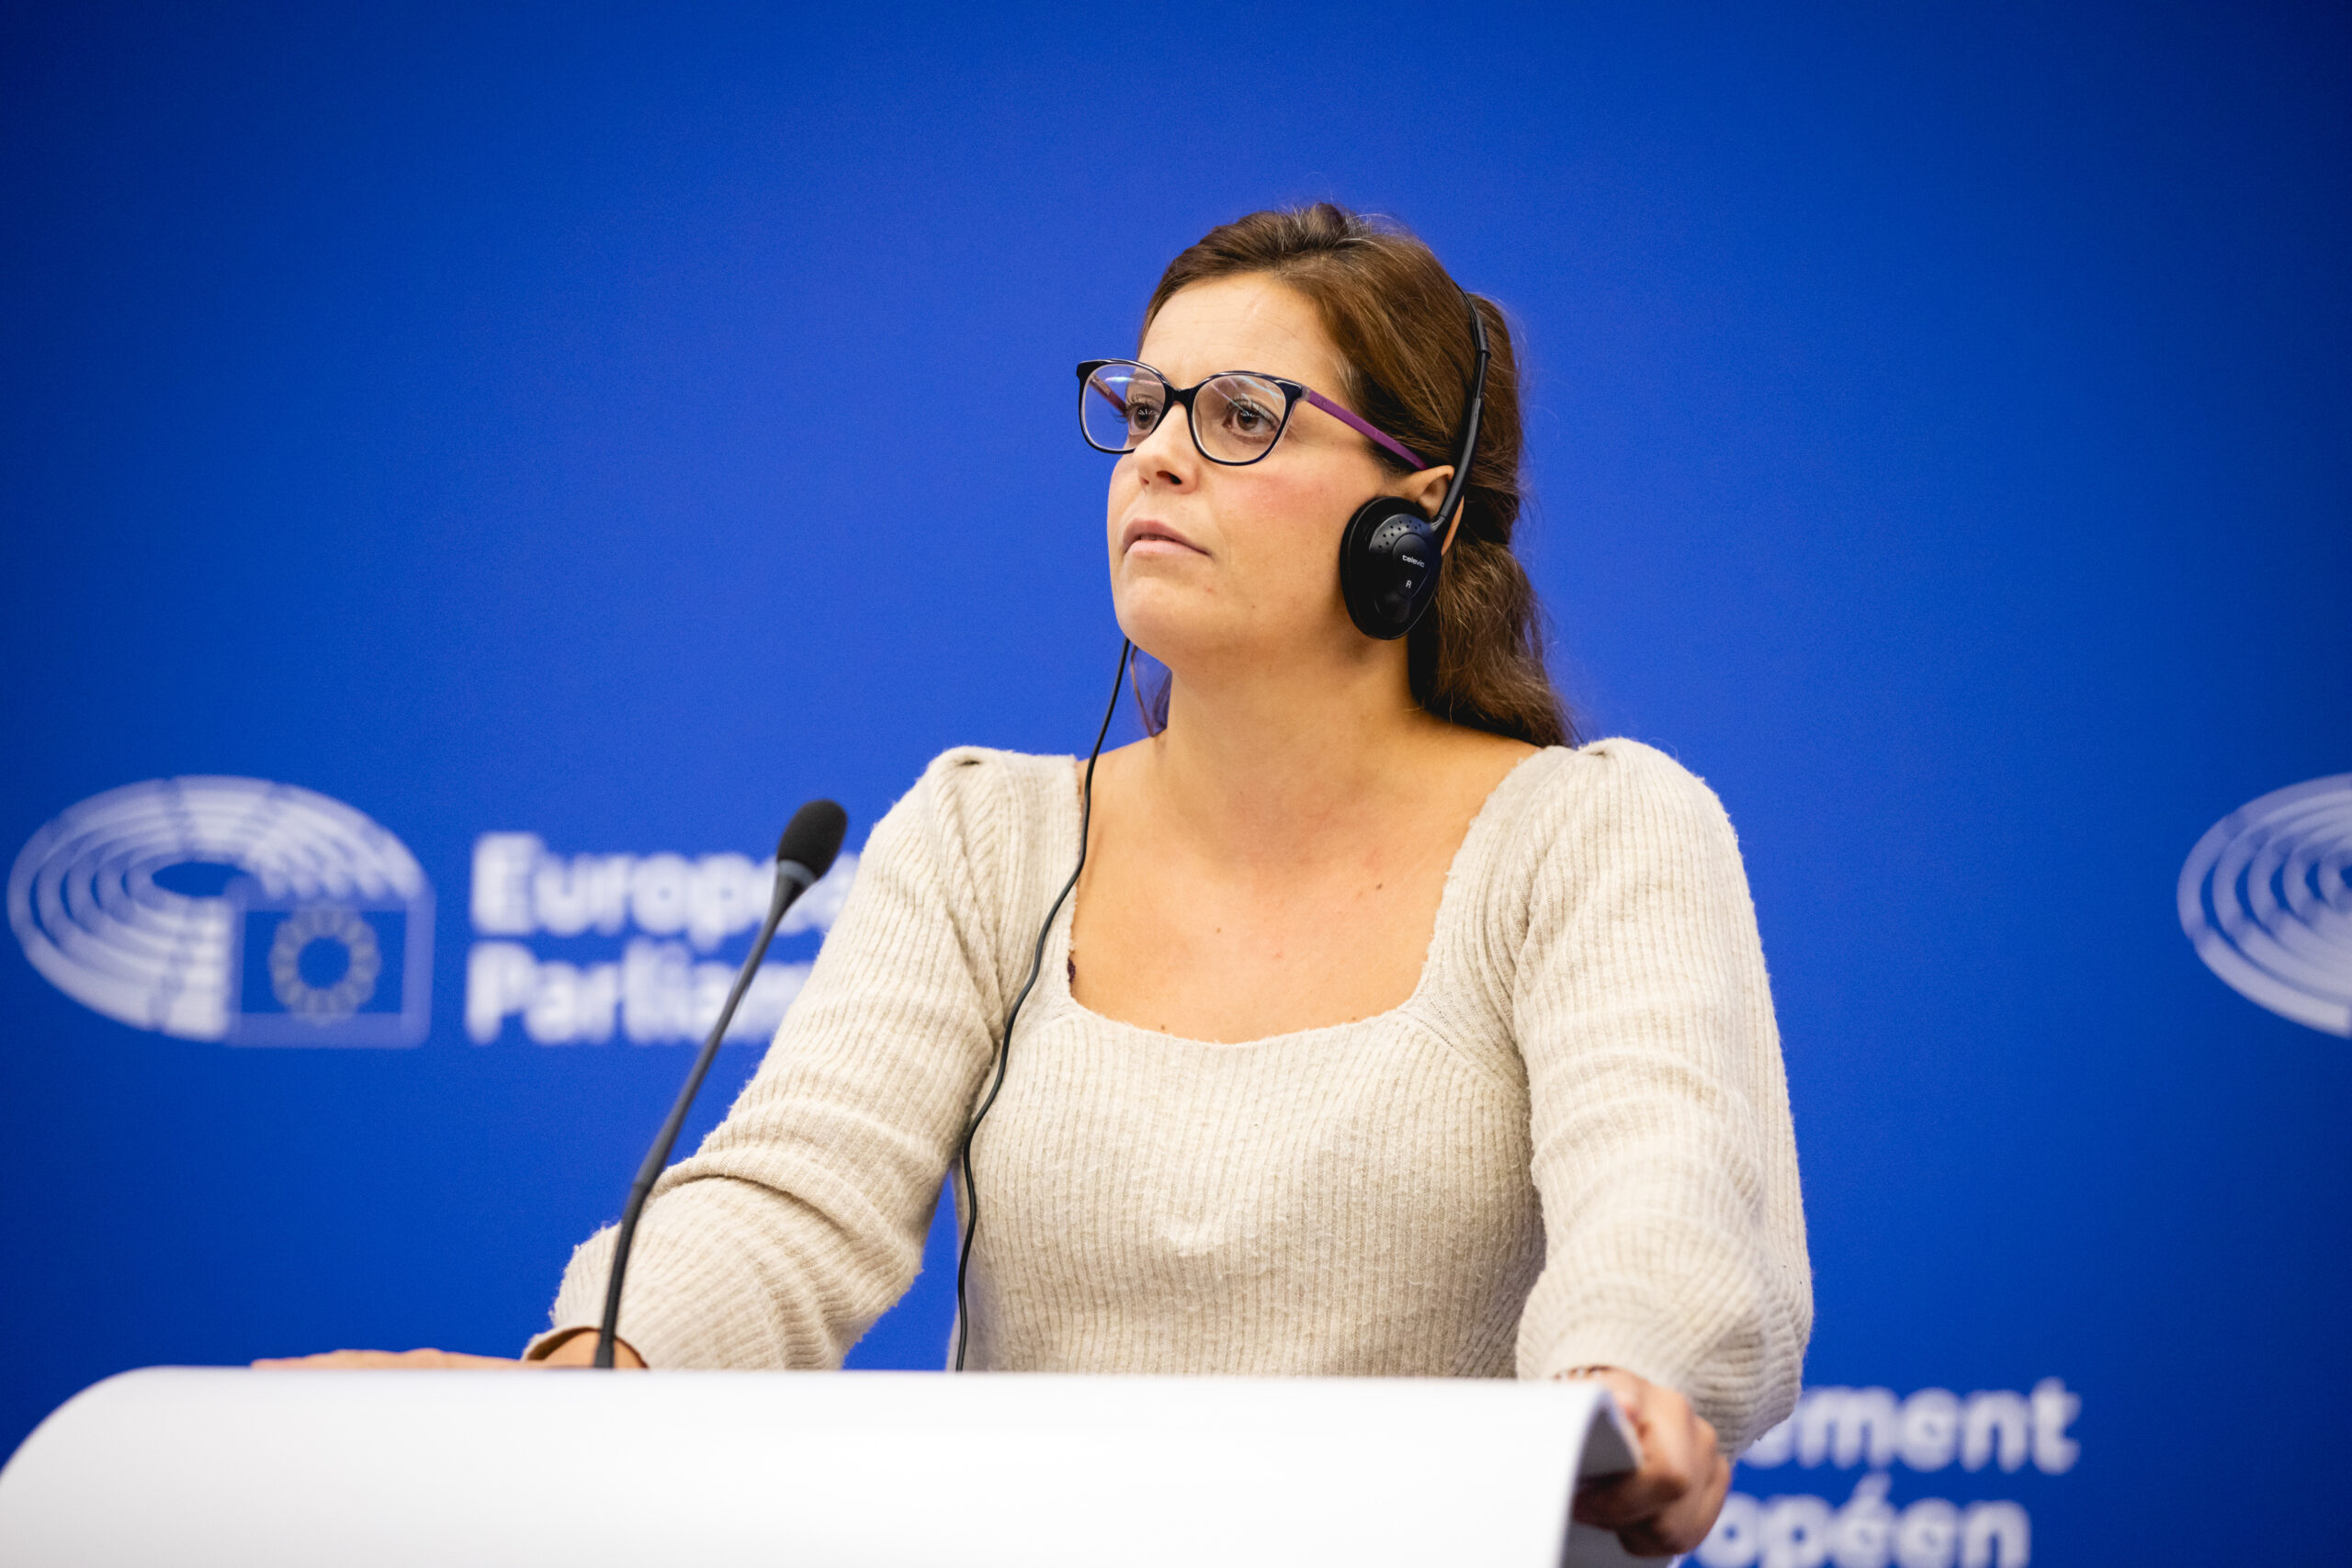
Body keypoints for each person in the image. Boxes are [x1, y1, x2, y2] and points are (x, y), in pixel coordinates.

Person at [263, 202, 1810, 1558]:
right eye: (1141, 408)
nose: (1158, 456)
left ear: (1420, 509)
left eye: (1243, 417)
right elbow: (795, 1200)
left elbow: (1659, 1201)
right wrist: (582, 1385)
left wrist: (1625, 1387)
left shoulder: (1594, 834)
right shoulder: (984, 836)